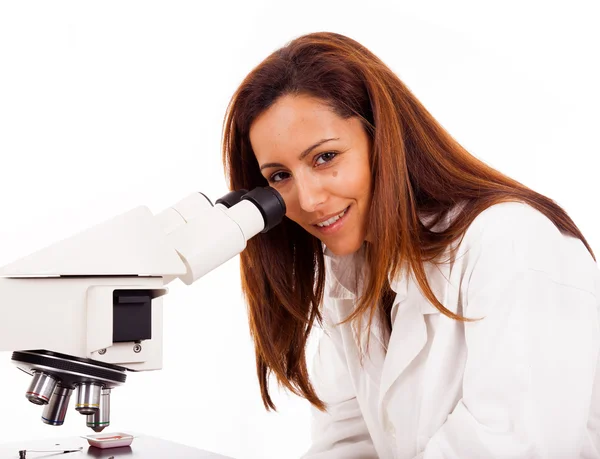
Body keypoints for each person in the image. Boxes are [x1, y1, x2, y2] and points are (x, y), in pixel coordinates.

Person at [221, 32, 600, 458]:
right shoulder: (351, 270)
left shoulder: (512, 242)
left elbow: (514, 447)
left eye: (325, 157)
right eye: (279, 177)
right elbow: (347, 444)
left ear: (382, 137)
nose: (307, 200)